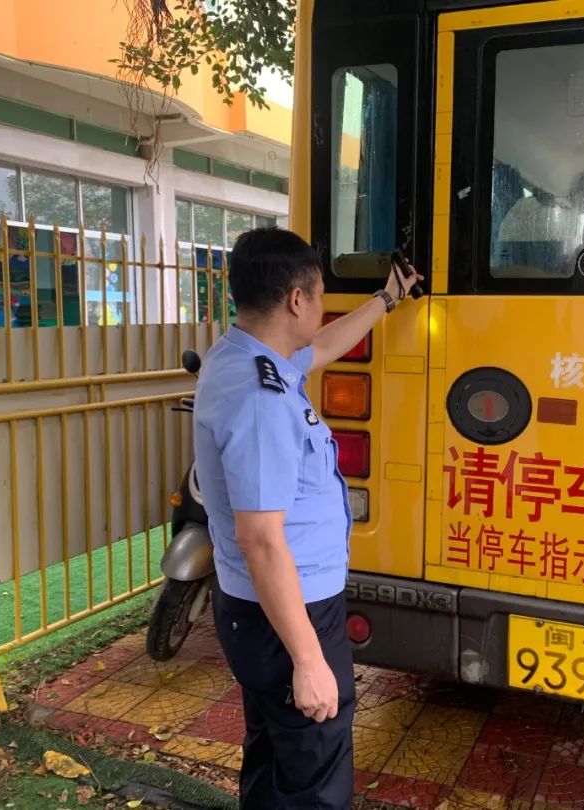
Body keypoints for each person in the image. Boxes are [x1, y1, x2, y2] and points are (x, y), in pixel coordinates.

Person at [192, 227, 422, 809]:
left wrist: (385, 300)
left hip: (264, 609)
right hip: (285, 616)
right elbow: (261, 540)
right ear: (297, 299)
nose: (322, 309)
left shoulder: (242, 355)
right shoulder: (261, 397)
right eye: (319, 295)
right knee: (314, 774)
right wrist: (309, 660)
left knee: (277, 759)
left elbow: (320, 350)